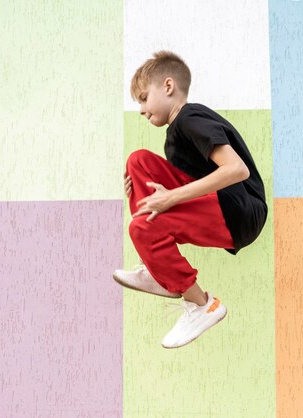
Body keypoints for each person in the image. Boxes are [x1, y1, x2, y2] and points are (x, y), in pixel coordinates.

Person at [113, 50, 267, 349]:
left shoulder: (190, 118)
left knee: (141, 229)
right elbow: (190, 183)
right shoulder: (178, 132)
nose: (142, 110)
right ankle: (159, 270)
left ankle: (202, 304)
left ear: (168, 86)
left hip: (238, 211)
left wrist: (170, 197)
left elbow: (237, 170)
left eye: (144, 98)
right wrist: (153, 194)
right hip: (223, 204)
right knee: (138, 163)